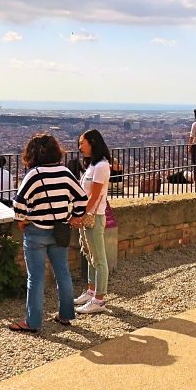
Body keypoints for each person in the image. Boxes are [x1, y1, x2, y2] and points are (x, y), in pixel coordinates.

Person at [9, 134, 86, 333]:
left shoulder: (34, 174)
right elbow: (81, 198)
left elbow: (18, 203)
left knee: (36, 278)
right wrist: (73, 217)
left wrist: (21, 219)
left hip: (36, 231)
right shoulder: (65, 172)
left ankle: (32, 322)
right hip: (60, 230)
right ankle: (66, 315)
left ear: (32, 153)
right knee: (63, 273)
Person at [73, 129, 114, 315]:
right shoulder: (92, 165)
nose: (80, 147)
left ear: (93, 143)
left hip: (94, 216)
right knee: (89, 254)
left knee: (99, 258)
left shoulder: (102, 166)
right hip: (88, 215)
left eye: (83, 143)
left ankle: (99, 299)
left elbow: (96, 195)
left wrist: (82, 214)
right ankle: (91, 291)